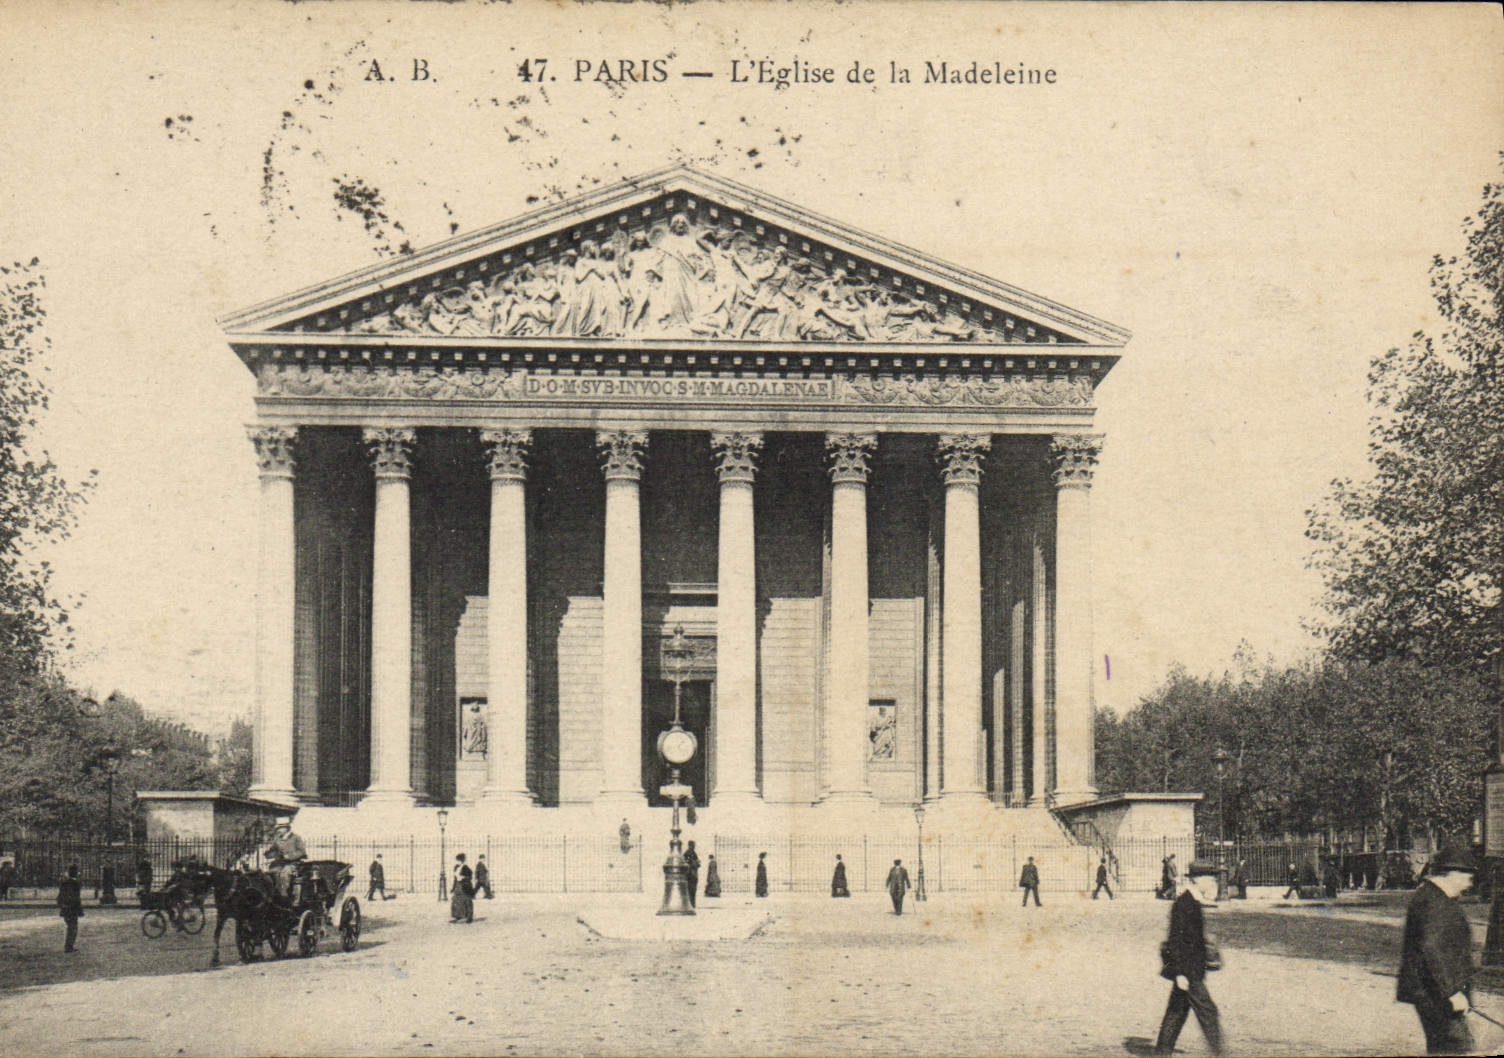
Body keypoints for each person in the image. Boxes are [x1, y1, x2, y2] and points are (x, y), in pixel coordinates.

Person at [1397, 845, 1478, 1055]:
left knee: (1446, 1047)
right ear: (1452, 873)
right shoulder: (1434, 903)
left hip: (1435, 991)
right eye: (1467, 875)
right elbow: (1432, 951)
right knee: (1457, 1048)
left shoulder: (1435, 898)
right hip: (1436, 994)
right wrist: (1451, 992)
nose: (1469, 882)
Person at [1153, 859, 1224, 1056]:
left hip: (1191, 969)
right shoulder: (1184, 904)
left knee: (1177, 1012)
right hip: (1188, 971)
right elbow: (1175, 941)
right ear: (1196, 879)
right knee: (1208, 1012)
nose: (1212, 882)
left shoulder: (1194, 902)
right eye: (1209, 878)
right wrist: (1180, 973)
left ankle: (1162, 1052)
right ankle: (1220, 1053)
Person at [263, 816, 308, 904]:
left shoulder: (296, 838)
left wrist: (290, 856)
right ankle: (272, 894)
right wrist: (269, 854)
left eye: (280, 828)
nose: (278, 830)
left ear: (286, 828)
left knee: (285, 874)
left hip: (293, 864)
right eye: (278, 829)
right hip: (280, 864)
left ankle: (284, 895)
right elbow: (273, 850)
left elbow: (302, 851)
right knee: (270, 873)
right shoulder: (278, 839)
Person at [58, 864, 83, 953]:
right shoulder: (75, 884)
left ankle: (68, 946)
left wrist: (62, 906)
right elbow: (76, 898)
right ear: (75, 873)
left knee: (70, 927)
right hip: (72, 909)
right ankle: (69, 947)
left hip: (66, 909)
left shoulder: (64, 883)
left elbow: (59, 897)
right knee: (73, 928)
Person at [450, 853, 474, 924]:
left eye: (459, 860)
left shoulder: (466, 868)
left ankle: (469, 917)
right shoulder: (456, 867)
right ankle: (457, 916)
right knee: (456, 900)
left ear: (462, 861)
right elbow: (455, 878)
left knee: (467, 900)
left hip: (465, 886)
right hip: (458, 885)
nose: (458, 862)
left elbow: (470, 877)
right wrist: (453, 888)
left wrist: (463, 878)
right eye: (457, 860)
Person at [683, 841, 700, 909]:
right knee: (690, 890)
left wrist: (696, 863)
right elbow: (687, 862)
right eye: (693, 845)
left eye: (694, 845)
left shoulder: (693, 853)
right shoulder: (687, 853)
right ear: (690, 845)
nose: (694, 846)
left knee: (693, 890)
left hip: (693, 874)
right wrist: (695, 863)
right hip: (690, 874)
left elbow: (696, 862)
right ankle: (690, 904)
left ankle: (692, 904)